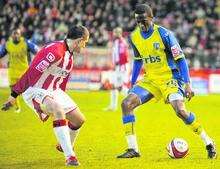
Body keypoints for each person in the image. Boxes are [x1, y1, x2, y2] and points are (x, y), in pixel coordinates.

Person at [117, 4, 217, 159]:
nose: (141, 25)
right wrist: (132, 84)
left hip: (171, 79)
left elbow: (181, 59)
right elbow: (138, 61)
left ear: (151, 18)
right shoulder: (135, 37)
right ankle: (133, 149)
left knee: (180, 111)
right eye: (138, 21)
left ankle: (208, 142)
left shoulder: (164, 34)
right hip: (151, 79)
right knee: (126, 104)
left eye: (144, 21)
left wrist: (188, 83)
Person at [1, 25, 89, 166]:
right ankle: (70, 156)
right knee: (58, 110)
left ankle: (64, 145)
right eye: (85, 42)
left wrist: (60, 96)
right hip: (35, 89)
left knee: (79, 120)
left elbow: (61, 81)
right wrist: (13, 95)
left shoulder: (69, 57)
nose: (85, 46)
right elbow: (31, 73)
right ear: (79, 41)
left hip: (53, 91)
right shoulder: (55, 51)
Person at [0, 28, 39, 113]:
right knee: (13, 91)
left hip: (23, 71)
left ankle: (37, 106)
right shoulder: (8, 44)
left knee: (28, 91)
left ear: (20, 34)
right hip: (12, 71)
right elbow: (1, 53)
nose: (16, 35)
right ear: (11, 35)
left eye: (18, 33)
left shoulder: (25, 42)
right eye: (14, 33)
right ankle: (17, 107)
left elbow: (36, 50)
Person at [104, 27, 129, 111]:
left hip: (121, 67)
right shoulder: (116, 42)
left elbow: (124, 55)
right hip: (117, 67)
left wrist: (118, 63)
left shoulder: (121, 42)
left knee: (119, 87)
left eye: (115, 33)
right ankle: (113, 106)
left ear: (119, 33)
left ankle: (133, 102)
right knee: (114, 86)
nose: (114, 34)